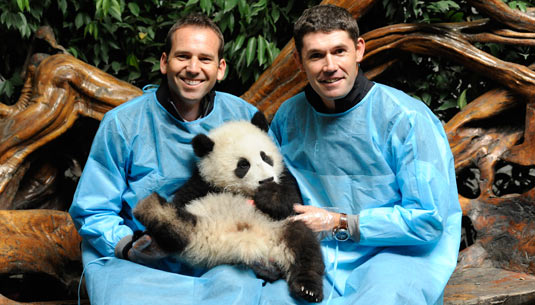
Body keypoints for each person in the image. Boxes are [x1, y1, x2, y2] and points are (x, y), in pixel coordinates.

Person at [268, 4, 462, 305]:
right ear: (298, 60)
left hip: (397, 253)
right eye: (316, 55)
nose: (329, 65)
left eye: (339, 51)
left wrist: (339, 222)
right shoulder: (288, 117)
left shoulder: (406, 118)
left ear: (359, 50)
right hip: (315, 255)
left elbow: (428, 220)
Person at [69, 13, 262, 304]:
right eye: (183, 56)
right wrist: (126, 247)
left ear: (221, 68)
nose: (193, 68)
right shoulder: (123, 123)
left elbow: (271, 187)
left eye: (205, 59)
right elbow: (93, 208)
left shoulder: (243, 117)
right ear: (164, 62)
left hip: (219, 260)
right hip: (139, 262)